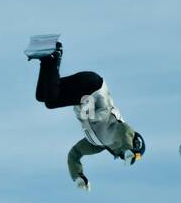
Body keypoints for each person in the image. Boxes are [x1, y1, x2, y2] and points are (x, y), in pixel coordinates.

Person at [27, 40, 144, 190]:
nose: (120, 152)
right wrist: (131, 150)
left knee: (43, 95)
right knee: (51, 101)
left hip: (83, 90)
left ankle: (46, 58)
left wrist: (78, 176)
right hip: (92, 86)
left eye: (122, 155)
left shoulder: (95, 144)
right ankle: (55, 55)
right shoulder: (118, 128)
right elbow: (126, 132)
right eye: (125, 151)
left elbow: (74, 154)